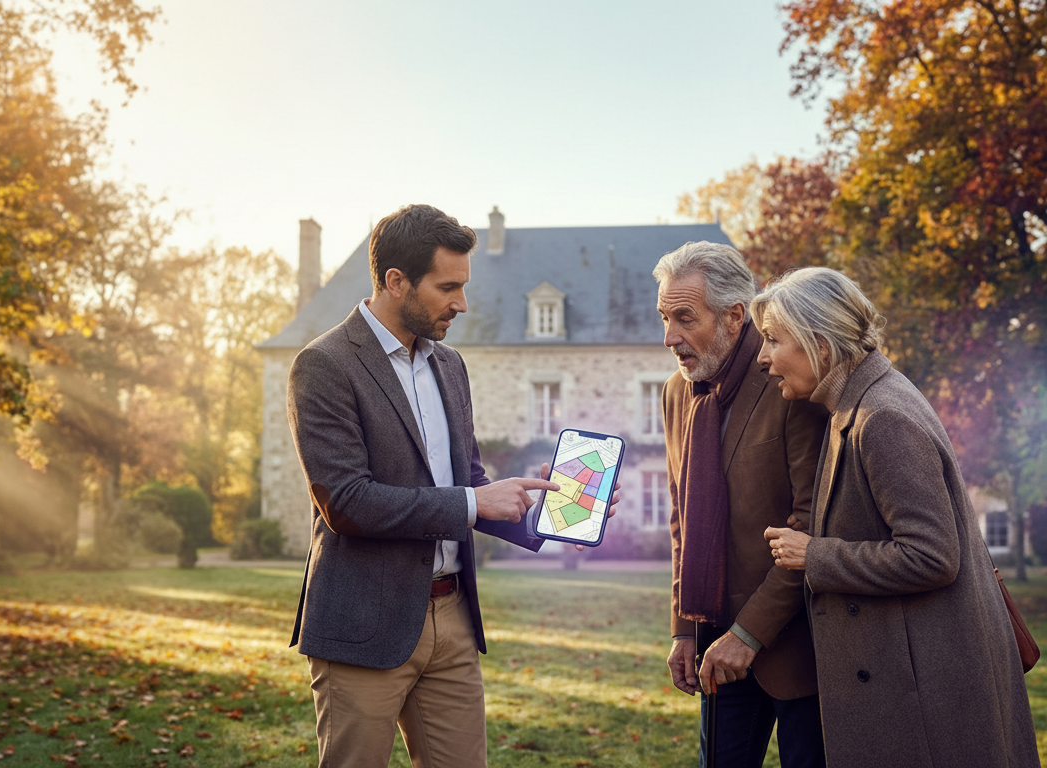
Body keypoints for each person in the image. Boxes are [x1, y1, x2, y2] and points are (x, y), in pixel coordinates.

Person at [286, 204, 614, 768]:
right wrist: (473, 501)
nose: (462, 303)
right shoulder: (324, 365)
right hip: (364, 624)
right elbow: (347, 502)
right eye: (448, 288)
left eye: (463, 286)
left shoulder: (450, 365)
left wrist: (552, 514)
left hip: (453, 620)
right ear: (396, 281)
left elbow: (470, 484)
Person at [758, 267, 1040, 768]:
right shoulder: (859, 404)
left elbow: (932, 556)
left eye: (773, 340)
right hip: (907, 683)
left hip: (921, 701)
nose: (763, 357)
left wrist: (815, 555)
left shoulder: (881, 417)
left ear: (819, 344)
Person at [655, 242, 828, 768]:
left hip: (800, 645)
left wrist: (748, 633)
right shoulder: (676, 392)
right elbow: (682, 517)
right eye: (665, 318)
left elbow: (813, 526)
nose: (670, 337)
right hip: (715, 642)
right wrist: (685, 628)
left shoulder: (790, 378)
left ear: (734, 316)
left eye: (685, 318)